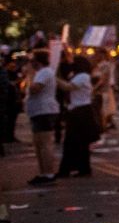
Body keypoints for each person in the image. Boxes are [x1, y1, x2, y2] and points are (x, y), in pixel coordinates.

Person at [54, 54, 99, 178]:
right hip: (78, 110)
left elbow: (68, 87)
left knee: (72, 142)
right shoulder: (78, 76)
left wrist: (55, 79)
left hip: (81, 111)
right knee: (80, 143)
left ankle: (69, 169)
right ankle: (82, 168)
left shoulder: (82, 76)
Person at [24, 50, 60, 185]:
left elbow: (35, 88)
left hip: (44, 110)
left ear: (37, 61)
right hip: (38, 111)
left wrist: (30, 74)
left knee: (45, 143)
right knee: (38, 144)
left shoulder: (44, 72)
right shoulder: (41, 73)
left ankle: (49, 173)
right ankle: (43, 172)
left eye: (31, 60)